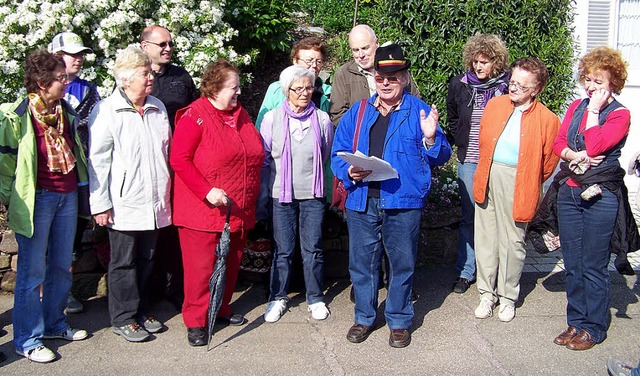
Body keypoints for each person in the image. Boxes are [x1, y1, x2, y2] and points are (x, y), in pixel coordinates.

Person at [331, 44, 452, 348]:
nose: (385, 82)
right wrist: (349, 172)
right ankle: (364, 317)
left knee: (402, 262)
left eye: (393, 77)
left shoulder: (420, 110)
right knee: (362, 262)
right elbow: (337, 154)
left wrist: (430, 137)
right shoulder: (358, 112)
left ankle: (398, 319)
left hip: (402, 200)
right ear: (373, 77)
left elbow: (442, 155)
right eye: (380, 76)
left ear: (404, 78)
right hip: (362, 198)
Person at [0, 50, 89, 363]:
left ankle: (54, 323)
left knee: (62, 265)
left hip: (67, 195)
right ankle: (27, 340)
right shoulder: (17, 114)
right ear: (41, 82)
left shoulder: (65, 109)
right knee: (31, 272)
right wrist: (8, 197)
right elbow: (6, 162)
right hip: (36, 198)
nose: (66, 82)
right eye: (60, 78)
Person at [170, 59, 264, 347]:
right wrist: (206, 190)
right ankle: (196, 321)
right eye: (233, 87)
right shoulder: (194, 116)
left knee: (231, 262)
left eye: (238, 87)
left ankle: (220, 308)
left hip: (237, 207)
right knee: (201, 269)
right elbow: (179, 159)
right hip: (203, 210)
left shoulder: (241, 115)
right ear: (214, 88)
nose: (238, 92)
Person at [88, 45, 172, 343]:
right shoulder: (107, 111)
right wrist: (100, 203)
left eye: (150, 72)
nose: (150, 78)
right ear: (124, 79)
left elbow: (166, 153)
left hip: (155, 200)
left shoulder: (158, 107)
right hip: (124, 202)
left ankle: (142, 310)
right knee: (124, 262)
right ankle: (123, 317)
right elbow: (98, 161)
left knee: (148, 259)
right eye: (144, 73)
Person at [552, 47, 631, 351]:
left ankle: (593, 328)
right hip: (571, 190)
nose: (591, 86)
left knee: (593, 264)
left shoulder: (619, 114)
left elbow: (597, 146)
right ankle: (575, 321)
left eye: (598, 80)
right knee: (572, 262)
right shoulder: (575, 106)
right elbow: (561, 142)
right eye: (588, 79)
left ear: (613, 81)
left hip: (601, 195)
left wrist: (596, 112)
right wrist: (575, 154)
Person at [473, 57, 560, 322]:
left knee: (512, 242)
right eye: (512, 82)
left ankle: (508, 297)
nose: (514, 88)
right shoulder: (495, 106)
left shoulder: (548, 119)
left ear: (535, 89)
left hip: (520, 181)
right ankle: (486, 294)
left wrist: (528, 178)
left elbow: (548, 163)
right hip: (488, 175)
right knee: (486, 239)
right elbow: (483, 141)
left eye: (522, 86)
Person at [261, 65, 334, 323]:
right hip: (281, 193)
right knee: (283, 249)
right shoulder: (271, 119)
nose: (304, 93)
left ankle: (315, 297)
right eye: (298, 89)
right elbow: (266, 157)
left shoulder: (322, 120)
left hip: (313, 193)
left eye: (308, 87)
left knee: (313, 248)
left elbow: (325, 153)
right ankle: (278, 297)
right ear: (286, 91)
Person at [446, 34, 510, 294]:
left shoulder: (507, 88)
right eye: (475, 62)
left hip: (498, 162)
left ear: (496, 62)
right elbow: (452, 116)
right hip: (469, 160)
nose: (479, 67)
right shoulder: (459, 85)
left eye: (484, 62)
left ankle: (493, 273)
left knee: (497, 218)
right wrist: (460, 138)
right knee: (470, 217)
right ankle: (466, 271)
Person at [141, 25, 198, 311]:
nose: (167, 48)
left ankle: (177, 289)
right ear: (144, 46)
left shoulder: (181, 77)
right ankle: (150, 291)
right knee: (151, 231)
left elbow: (196, 114)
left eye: (170, 44)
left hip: (179, 167)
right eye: (161, 44)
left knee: (176, 230)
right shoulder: (136, 79)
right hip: (148, 166)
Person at [50, 31, 101, 314]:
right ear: (57, 57)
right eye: (73, 54)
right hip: (53, 177)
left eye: (81, 54)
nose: (79, 59)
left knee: (72, 238)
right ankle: (47, 297)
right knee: (48, 241)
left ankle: (64, 294)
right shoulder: (40, 94)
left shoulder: (90, 90)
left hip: (80, 176)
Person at [329, 25, 420, 126]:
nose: (361, 55)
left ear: (377, 43)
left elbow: (416, 103)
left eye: (365, 48)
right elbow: (337, 114)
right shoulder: (343, 75)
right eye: (355, 50)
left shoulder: (395, 68)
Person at [256, 37, 331, 130]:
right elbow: (261, 125)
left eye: (319, 61)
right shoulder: (276, 90)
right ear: (295, 61)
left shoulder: (328, 93)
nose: (314, 65)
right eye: (309, 60)